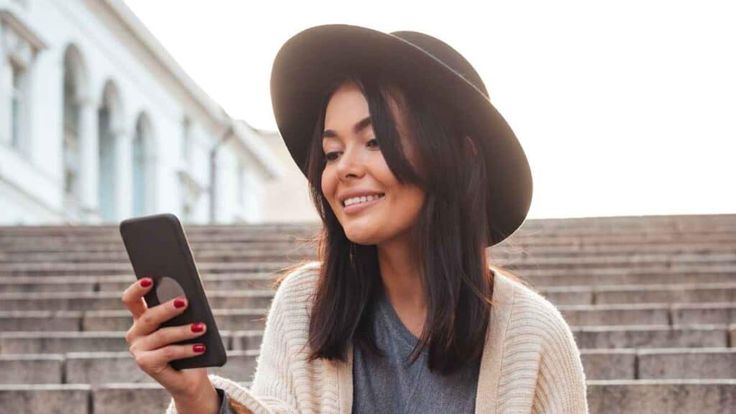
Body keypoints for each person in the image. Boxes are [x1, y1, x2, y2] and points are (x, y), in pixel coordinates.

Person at [122, 24, 589, 413]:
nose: (344, 168)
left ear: (456, 158)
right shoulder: (306, 303)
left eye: (375, 141)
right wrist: (194, 395)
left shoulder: (534, 334)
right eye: (331, 151)